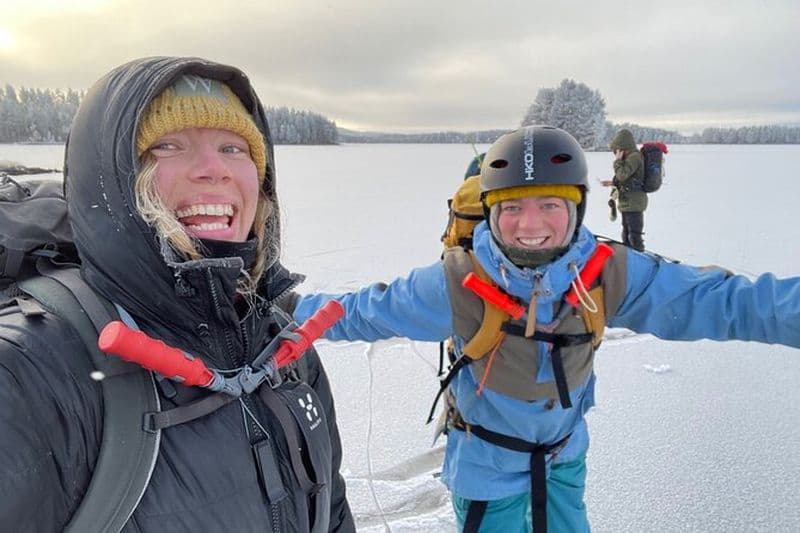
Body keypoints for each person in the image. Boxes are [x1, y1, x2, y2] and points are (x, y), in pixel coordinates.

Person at [292, 125, 800, 532]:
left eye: (549, 205)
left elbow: (720, 301)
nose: (529, 225)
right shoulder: (458, 281)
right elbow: (363, 310)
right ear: (490, 213)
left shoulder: (607, 274)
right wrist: (286, 312)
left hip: (564, 460)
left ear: (575, 209)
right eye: (512, 207)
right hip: (487, 471)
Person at [0, 57, 354, 532]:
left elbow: (332, 511)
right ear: (111, 181)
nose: (213, 169)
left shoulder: (283, 349)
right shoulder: (30, 373)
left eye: (233, 148)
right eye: (167, 146)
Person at [600, 128, 646, 251]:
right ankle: (629, 257)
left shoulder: (634, 157)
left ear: (623, 148)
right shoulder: (629, 158)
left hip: (634, 202)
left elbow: (622, 174)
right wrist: (611, 182)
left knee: (634, 236)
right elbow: (626, 178)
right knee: (626, 235)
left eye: (617, 150)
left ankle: (639, 258)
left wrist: (617, 161)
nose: (615, 153)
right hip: (627, 202)